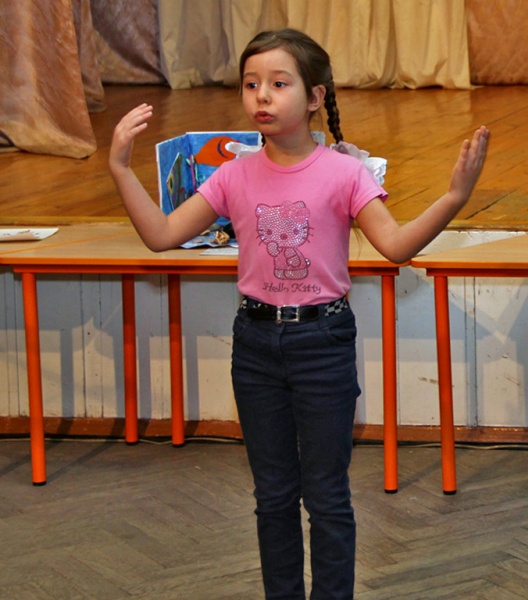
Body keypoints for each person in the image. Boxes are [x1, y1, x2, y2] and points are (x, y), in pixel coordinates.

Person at [109, 28, 489, 600]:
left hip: (322, 342)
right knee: (273, 497)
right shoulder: (233, 174)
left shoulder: (345, 173)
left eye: (278, 84)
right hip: (255, 345)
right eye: (251, 84)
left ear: (314, 97)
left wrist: (454, 197)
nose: (262, 95)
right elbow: (161, 235)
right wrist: (120, 167)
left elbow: (396, 246)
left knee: (327, 496)